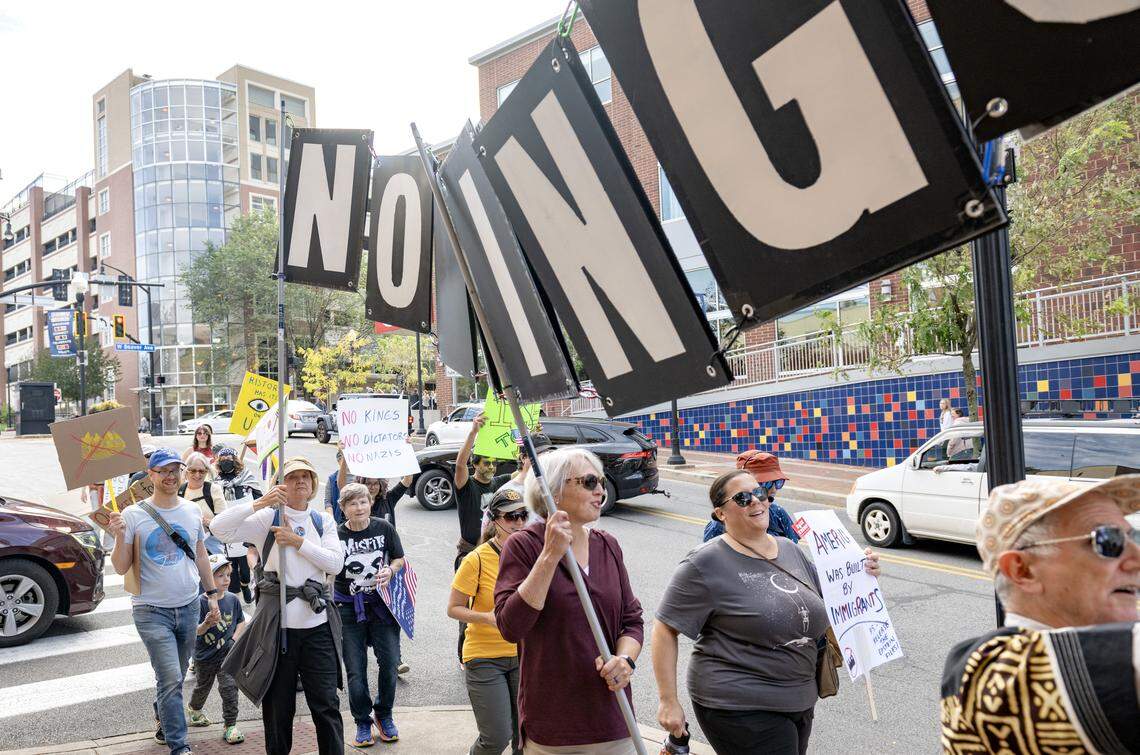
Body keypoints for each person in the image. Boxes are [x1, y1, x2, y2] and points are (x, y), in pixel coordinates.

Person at [654, 468, 881, 755]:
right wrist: (668, 700)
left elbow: (833, 595)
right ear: (721, 513)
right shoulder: (705, 562)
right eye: (742, 498)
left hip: (799, 697)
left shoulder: (790, 549)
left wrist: (862, 572)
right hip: (737, 702)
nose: (756, 502)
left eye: (759, 493)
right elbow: (665, 628)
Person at [941, 476, 1140, 753]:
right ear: (1023, 570)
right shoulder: (985, 674)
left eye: (1134, 538)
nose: (1137, 558)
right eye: (1108, 540)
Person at [495, 448, 644, 753]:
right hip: (555, 727)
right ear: (554, 491)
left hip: (613, 717)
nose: (601, 490)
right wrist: (550, 555)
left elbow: (632, 619)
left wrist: (625, 660)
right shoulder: (524, 545)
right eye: (589, 481)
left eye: (601, 481)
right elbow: (511, 626)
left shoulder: (608, 546)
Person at [210, 457, 346, 755]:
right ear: (279, 484)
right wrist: (259, 504)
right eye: (292, 476)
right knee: (277, 709)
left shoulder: (322, 521)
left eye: (305, 477)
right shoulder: (267, 519)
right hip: (277, 629)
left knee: (326, 706)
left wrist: (297, 542)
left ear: (312, 484)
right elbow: (219, 529)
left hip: (317, 629)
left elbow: (335, 563)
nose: (299, 481)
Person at [104, 448, 222, 755]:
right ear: (151, 475)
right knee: (170, 676)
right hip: (150, 610)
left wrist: (211, 595)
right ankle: (179, 745)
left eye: (175, 470)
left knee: (176, 675)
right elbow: (119, 566)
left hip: (188, 605)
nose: (170, 476)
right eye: (163, 471)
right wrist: (118, 536)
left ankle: (163, 710)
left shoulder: (191, 511)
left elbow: (199, 555)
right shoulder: (132, 514)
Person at [449, 486, 529, 755]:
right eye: (510, 517)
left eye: (523, 515)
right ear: (495, 521)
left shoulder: (533, 556)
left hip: (523, 656)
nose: (518, 522)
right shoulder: (476, 559)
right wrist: (486, 617)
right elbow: (454, 608)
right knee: (496, 737)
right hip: (484, 657)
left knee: (525, 739)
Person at [333, 483, 405, 747]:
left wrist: (392, 570)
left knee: (389, 663)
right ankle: (362, 720)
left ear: (370, 503)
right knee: (355, 668)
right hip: (348, 607)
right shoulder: (336, 535)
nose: (359, 507)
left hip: (382, 606)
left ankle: (383, 714)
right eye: (352, 503)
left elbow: (399, 558)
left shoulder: (384, 528)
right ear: (343, 508)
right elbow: (327, 566)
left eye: (363, 502)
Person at [455, 413, 513, 660]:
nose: (490, 468)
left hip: (495, 553)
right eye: (485, 463)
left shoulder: (499, 484)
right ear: (475, 465)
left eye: (493, 464)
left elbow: (524, 472)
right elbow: (459, 465)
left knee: (493, 601)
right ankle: (465, 655)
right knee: (466, 606)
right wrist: (473, 433)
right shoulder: (467, 487)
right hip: (470, 553)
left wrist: (528, 436)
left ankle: (495, 649)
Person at [187, 554, 246, 744]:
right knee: (203, 686)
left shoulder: (232, 600)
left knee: (229, 688)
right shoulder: (200, 602)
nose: (226, 579)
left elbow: (241, 622)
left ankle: (230, 725)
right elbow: (195, 631)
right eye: (220, 575)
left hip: (227, 653)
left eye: (228, 575)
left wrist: (234, 640)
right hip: (204, 656)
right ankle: (194, 710)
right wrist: (206, 624)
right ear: (207, 579)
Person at [703, 451, 799, 543]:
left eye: (778, 482)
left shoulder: (778, 513)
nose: (773, 489)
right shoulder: (718, 527)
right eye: (766, 483)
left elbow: (793, 550)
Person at [213, 446, 260, 604]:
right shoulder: (216, 483)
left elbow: (259, 498)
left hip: (245, 527)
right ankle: (233, 598)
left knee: (245, 569)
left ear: (235, 460)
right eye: (223, 459)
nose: (226, 461)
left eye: (229, 458)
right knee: (229, 569)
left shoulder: (247, 477)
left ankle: (245, 585)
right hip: (227, 529)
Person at [181, 452, 226, 555]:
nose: (197, 475)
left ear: (207, 472)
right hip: (187, 549)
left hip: (212, 550)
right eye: (193, 471)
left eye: (201, 471)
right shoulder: (179, 491)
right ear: (186, 471)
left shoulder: (213, 489)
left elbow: (224, 522)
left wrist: (204, 522)